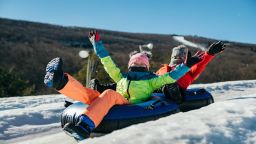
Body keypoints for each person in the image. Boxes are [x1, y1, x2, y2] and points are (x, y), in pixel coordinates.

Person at [44, 30, 201, 139]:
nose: (137, 66)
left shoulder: (150, 80)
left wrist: (186, 66)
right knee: (92, 95)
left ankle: (84, 126)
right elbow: (107, 62)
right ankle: (61, 81)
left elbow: (171, 77)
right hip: (116, 102)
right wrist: (96, 45)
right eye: (136, 63)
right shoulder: (124, 77)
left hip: (131, 106)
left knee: (108, 95)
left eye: (138, 64)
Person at [90, 42, 225, 104]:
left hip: (173, 90)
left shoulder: (189, 71)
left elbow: (201, 64)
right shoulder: (163, 69)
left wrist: (208, 54)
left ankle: (172, 91)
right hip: (154, 86)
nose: (177, 59)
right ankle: (100, 88)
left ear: (184, 59)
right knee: (128, 83)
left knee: (170, 85)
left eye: (180, 58)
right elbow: (147, 77)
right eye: (175, 57)